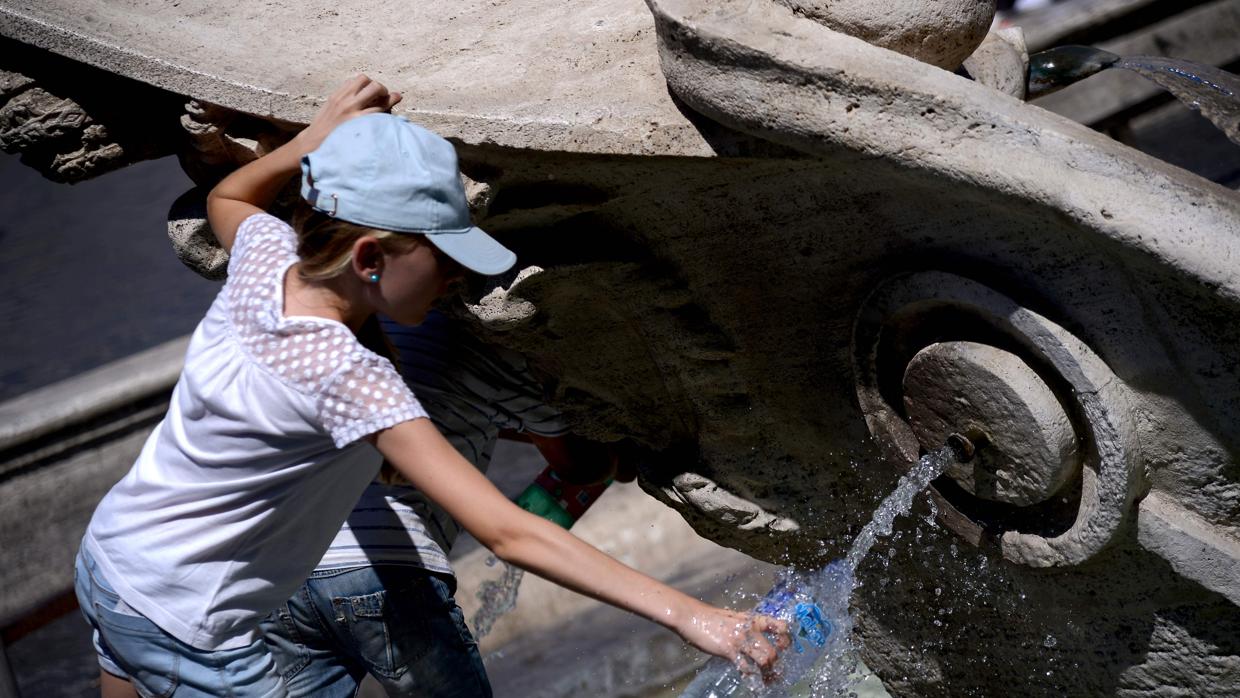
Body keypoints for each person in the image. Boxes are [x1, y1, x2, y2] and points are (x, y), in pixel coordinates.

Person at [74, 75, 787, 698]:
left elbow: (230, 193)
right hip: (190, 620)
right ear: (369, 257)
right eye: (443, 255)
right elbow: (509, 533)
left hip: (115, 555)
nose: (458, 277)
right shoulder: (347, 376)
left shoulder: (269, 261)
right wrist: (694, 615)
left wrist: (315, 140)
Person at [261, 310, 624, 697]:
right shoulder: (500, 346)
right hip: (384, 568)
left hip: (287, 570)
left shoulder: (379, 324)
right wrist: (620, 452)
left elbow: (434, 413)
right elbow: (581, 464)